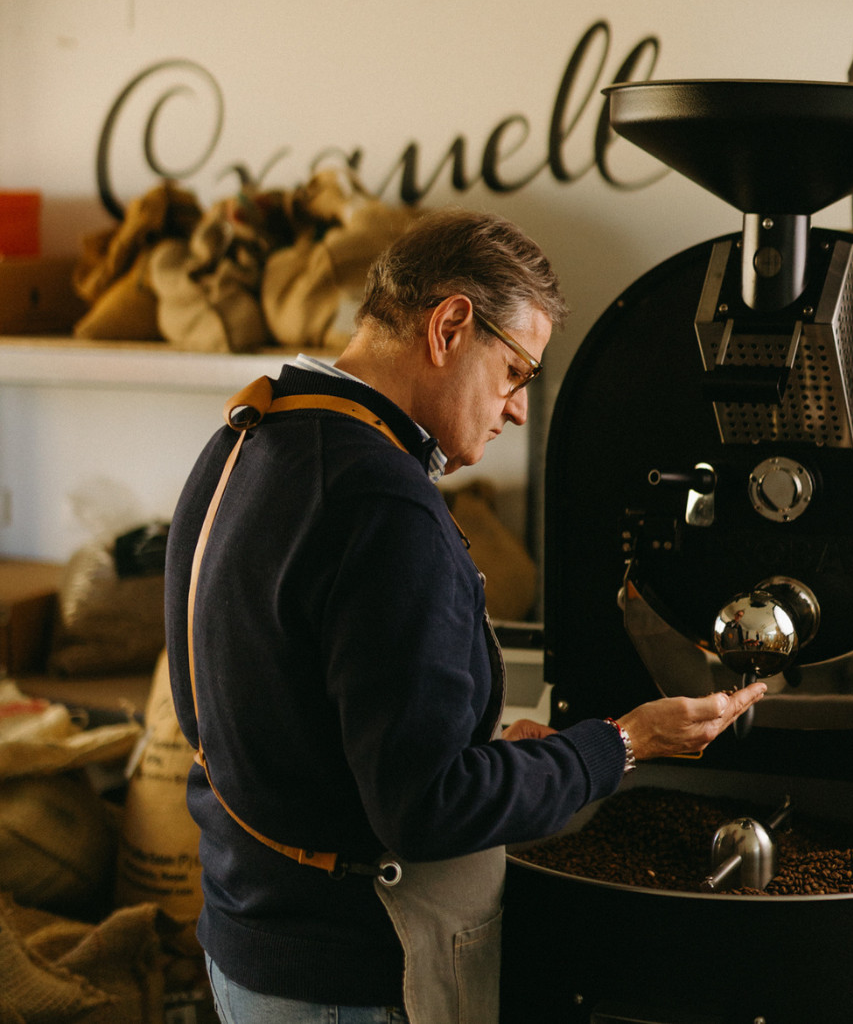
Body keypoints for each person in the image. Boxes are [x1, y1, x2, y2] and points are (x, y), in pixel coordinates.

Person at [164, 207, 766, 1024]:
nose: (518, 408)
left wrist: (486, 754)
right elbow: (428, 807)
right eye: (517, 371)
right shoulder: (383, 504)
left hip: (249, 943)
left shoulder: (252, 431)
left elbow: (286, 708)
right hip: (347, 976)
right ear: (450, 325)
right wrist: (627, 742)